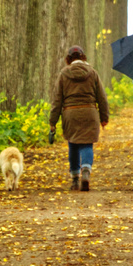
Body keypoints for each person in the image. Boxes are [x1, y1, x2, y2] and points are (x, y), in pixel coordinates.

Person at [48, 45, 110, 192]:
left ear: (68, 59)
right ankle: (86, 171)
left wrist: (53, 121)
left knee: (73, 144)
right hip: (90, 113)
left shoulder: (63, 74)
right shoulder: (93, 73)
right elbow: (102, 97)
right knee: (87, 144)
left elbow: (57, 100)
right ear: (83, 57)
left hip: (71, 113)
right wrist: (104, 117)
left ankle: (75, 180)